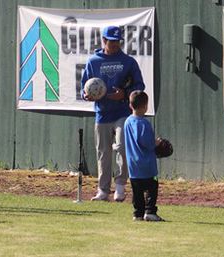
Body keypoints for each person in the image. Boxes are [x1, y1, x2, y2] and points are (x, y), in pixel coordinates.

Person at [81, 25, 145, 201]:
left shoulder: (128, 62)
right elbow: (84, 86)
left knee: (123, 147)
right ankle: (102, 190)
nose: (116, 44)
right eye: (112, 41)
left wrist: (125, 94)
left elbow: (139, 85)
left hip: (123, 112)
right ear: (104, 41)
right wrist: (86, 95)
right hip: (102, 113)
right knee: (103, 151)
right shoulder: (93, 61)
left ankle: (120, 186)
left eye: (118, 41)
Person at [124, 91, 163, 221]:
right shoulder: (143, 123)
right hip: (146, 164)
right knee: (152, 187)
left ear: (130, 105)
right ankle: (150, 211)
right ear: (145, 106)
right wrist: (156, 143)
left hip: (133, 165)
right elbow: (146, 142)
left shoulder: (127, 121)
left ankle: (138, 213)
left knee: (137, 191)